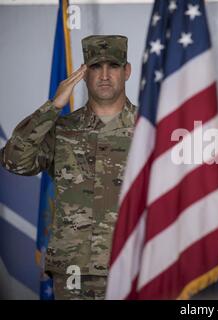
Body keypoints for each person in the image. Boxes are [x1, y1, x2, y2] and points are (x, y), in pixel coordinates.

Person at [0, 35, 137, 299]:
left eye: (113, 66)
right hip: (75, 270)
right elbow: (13, 161)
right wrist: (53, 107)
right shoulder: (62, 129)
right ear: (83, 74)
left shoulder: (149, 130)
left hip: (131, 264)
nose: (105, 75)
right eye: (96, 67)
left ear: (127, 70)